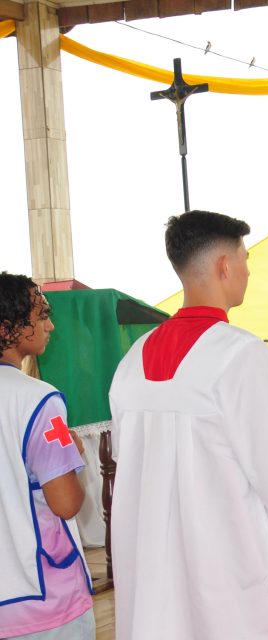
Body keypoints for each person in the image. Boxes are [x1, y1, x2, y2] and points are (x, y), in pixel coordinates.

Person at [110, 211, 268, 639]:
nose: (248, 270)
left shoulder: (132, 359)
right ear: (224, 266)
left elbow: (130, 465)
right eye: (245, 258)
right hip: (232, 566)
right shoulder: (238, 355)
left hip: (159, 567)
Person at [0, 273, 94, 639]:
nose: (50, 325)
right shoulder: (37, 398)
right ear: (8, 327)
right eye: (40, 315)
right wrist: (71, 456)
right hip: (43, 600)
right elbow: (66, 503)